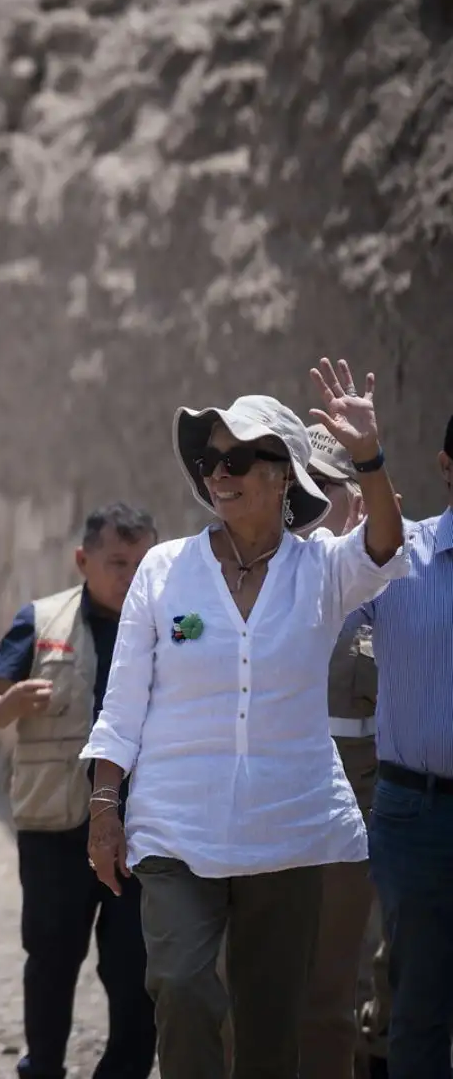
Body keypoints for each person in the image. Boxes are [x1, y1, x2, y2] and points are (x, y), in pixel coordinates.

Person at [83, 362, 406, 1079]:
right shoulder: (165, 571)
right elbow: (123, 701)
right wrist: (105, 807)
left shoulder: (320, 572)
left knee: (268, 1028)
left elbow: (385, 544)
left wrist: (369, 458)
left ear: (283, 474)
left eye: (236, 459)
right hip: (175, 829)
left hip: (287, 832)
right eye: (209, 460)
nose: (217, 474)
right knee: (184, 987)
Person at [0, 503, 159, 1079]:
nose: (131, 576)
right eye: (117, 563)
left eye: (143, 563)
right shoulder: (40, 620)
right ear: (83, 561)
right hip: (55, 827)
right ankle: (45, 1066)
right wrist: (9, 705)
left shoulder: (171, 625)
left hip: (142, 831)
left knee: (137, 969)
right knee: (52, 961)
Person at [351, 410, 453, 1079]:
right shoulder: (399, 557)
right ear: (446, 466)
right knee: (419, 1007)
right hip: (419, 819)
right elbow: (309, 606)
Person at [300, 424, 388, 1079]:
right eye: (304, 483)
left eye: (328, 486)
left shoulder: (382, 572)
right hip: (266, 789)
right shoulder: (250, 570)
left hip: (355, 799)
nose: (312, 499)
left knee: (335, 989)